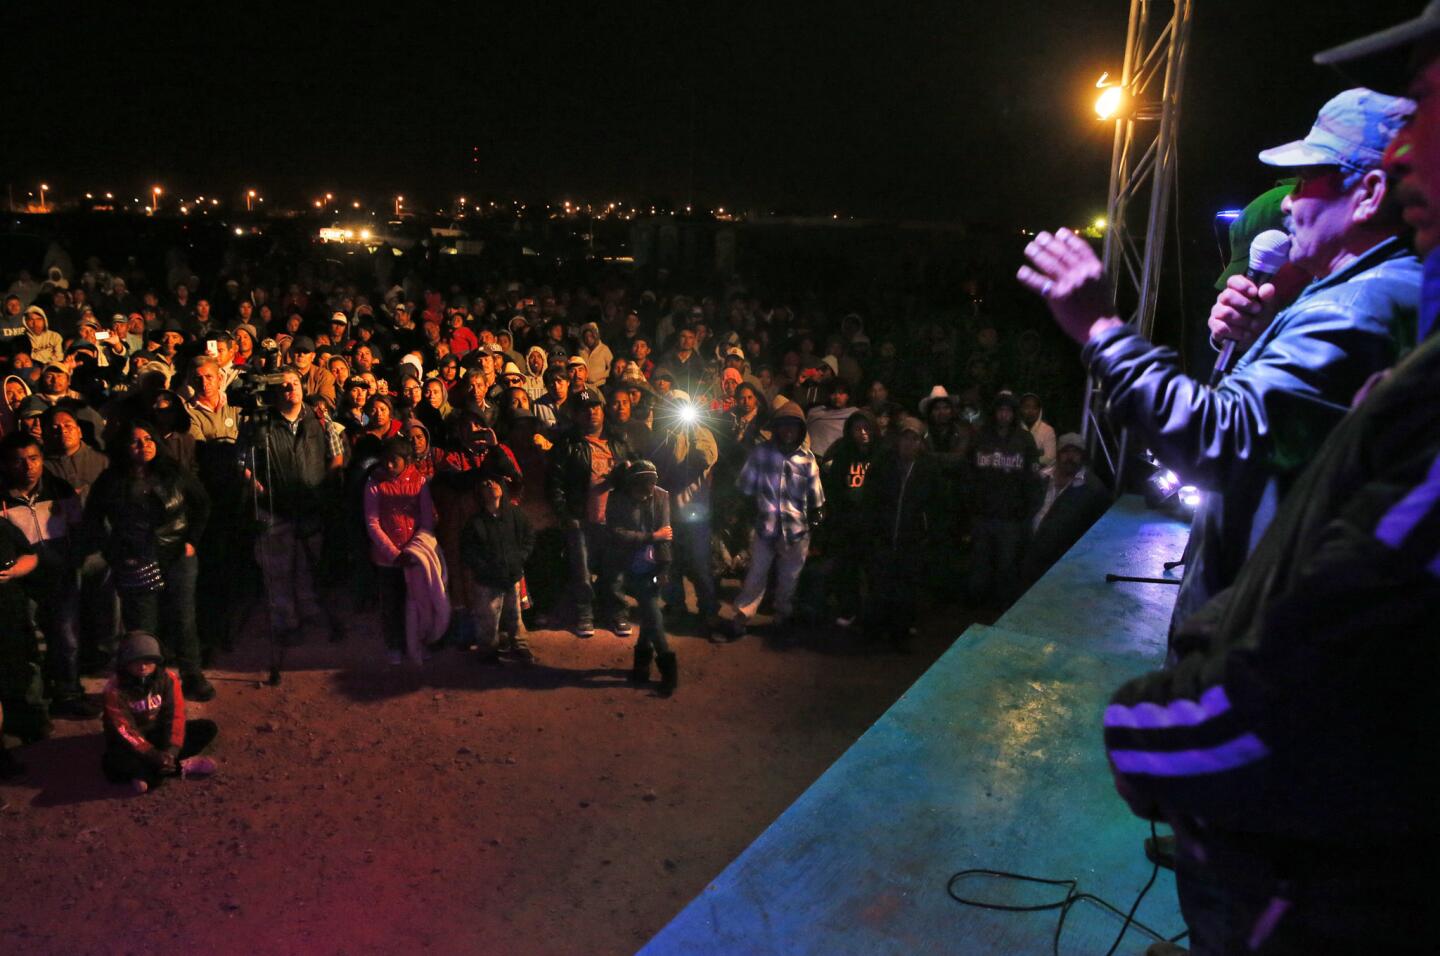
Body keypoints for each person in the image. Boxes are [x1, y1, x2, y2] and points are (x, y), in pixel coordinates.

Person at [1019, 87, 1421, 635]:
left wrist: (1099, 328)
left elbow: (1217, 441)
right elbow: (1280, 438)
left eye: (1307, 181)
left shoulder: (1359, 308)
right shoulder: (1378, 293)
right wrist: (1255, 339)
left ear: (1370, 192)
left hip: (1271, 641)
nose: (1286, 201)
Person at [82, 422, 214, 701]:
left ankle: (192, 674)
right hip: (135, 556)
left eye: (149, 439)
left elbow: (201, 503)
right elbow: (93, 518)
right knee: (143, 624)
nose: (145, 445)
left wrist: (192, 540)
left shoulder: (174, 471)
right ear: (123, 447)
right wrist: (113, 552)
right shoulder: (111, 480)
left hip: (177, 554)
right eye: (136, 441)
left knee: (183, 617)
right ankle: (149, 683)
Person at [247, 368, 342, 646]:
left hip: (311, 506)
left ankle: (310, 611)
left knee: (307, 566)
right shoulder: (261, 422)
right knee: (278, 570)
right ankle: (285, 622)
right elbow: (243, 462)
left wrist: (325, 486)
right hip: (275, 508)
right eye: (285, 385)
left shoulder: (320, 418)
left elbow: (335, 454)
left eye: (295, 383)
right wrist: (256, 486)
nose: (291, 389)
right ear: (275, 392)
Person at [730, 403, 825, 639]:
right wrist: (743, 517)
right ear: (776, 427)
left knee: (789, 580)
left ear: (801, 429)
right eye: (784, 425)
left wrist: (814, 523)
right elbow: (745, 488)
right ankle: (741, 618)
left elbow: (816, 499)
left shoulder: (807, 459)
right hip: (765, 527)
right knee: (756, 576)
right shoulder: (761, 453)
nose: (788, 430)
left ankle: (782, 618)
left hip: (796, 531)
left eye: (793, 425)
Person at [546, 386, 635, 638]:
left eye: (595, 407)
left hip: (613, 519)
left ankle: (617, 613)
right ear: (576, 415)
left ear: (603, 410)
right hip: (580, 518)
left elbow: (635, 479)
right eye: (585, 409)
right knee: (582, 571)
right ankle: (585, 614)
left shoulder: (619, 442)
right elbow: (555, 484)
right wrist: (565, 516)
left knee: (614, 571)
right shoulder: (567, 445)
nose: (592, 413)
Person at [101, 630, 217, 795]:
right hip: (131, 741)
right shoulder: (114, 689)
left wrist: (171, 750)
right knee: (111, 764)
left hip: (158, 733)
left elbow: (176, 716)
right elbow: (124, 729)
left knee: (207, 728)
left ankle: (148, 774)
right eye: (136, 661)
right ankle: (177, 767)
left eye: (148, 660)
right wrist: (152, 754)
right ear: (125, 662)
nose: (142, 666)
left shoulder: (168, 679)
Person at [363, 436, 443, 665]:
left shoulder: (418, 482)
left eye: (394, 461)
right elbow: (372, 522)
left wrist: (415, 549)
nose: (389, 466)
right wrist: (393, 553)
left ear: (406, 461)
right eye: (385, 461)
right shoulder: (374, 483)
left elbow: (427, 520)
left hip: (415, 554)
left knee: (418, 602)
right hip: (387, 559)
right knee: (392, 603)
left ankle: (419, 642)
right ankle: (395, 645)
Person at [652, 393, 721, 640]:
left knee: (700, 567)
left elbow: (705, 458)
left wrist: (690, 430)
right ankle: (676, 607)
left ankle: (709, 610)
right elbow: (659, 470)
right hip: (668, 513)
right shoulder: (661, 436)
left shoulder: (702, 432)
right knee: (670, 565)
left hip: (695, 513)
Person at [606, 460, 677, 695]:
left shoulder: (661, 496)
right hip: (630, 563)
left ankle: (642, 666)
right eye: (641, 491)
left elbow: (666, 534)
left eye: (650, 489)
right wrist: (651, 536)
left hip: (654, 563)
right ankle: (668, 670)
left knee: (649, 612)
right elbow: (616, 533)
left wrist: (665, 567)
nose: (646, 496)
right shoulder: (617, 498)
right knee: (652, 613)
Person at [966, 391, 1041, 608]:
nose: (1004, 415)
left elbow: (1032, 478)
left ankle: (1002, 611)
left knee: (1006, 567)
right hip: (983, 514)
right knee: (980, 566)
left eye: (1008, 410)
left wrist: (1026, 512)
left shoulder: (1024, 439)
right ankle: (976, 611)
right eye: (1000, 410)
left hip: (1011, 517)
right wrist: (971, 505)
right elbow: (969, 472)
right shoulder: (980, 436)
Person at [460, 474, 536, 664]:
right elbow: (468, 550)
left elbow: (529, 536)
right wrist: (482, 568)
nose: (491, 485)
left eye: (495, 482)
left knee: (515, 615)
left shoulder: (514, 515)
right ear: (480, 493)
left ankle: (520, 645)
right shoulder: (475, 522)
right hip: (487, 580)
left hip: (511, 575)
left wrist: (520, 558)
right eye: (486, 483)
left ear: (502, 488)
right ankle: (489, 651)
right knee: (488, 618)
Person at [1020, 433, 1110, 587]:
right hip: (1030, 555)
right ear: (1058, 453)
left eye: (1076, 452)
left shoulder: (1092, 489)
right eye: (1066, 451)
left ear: (1082, 456)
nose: (1070, 457)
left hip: (1064, 565)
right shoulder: (1041, 477)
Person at [1017, 392, 1057, 474]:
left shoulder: (1047, 430)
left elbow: (1050, 457)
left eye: (1035, 408)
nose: (1030, 411)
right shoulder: (1014, 428)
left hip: (1041, 475)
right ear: (1020, 408)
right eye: (1027, 407)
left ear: (1039, 410)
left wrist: (1027, 460)